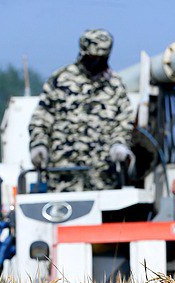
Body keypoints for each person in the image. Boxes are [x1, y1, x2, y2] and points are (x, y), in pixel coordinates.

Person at [29, 29, 133, 192]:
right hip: (63, 176)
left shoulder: (114, 85)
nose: (97, 62)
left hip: (102, 178)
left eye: (102, 58)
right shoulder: (61, 79)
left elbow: (123, 122)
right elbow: (42, 117)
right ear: (84, 53)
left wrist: (119, 144)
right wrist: (39, 145)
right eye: (93, 58)